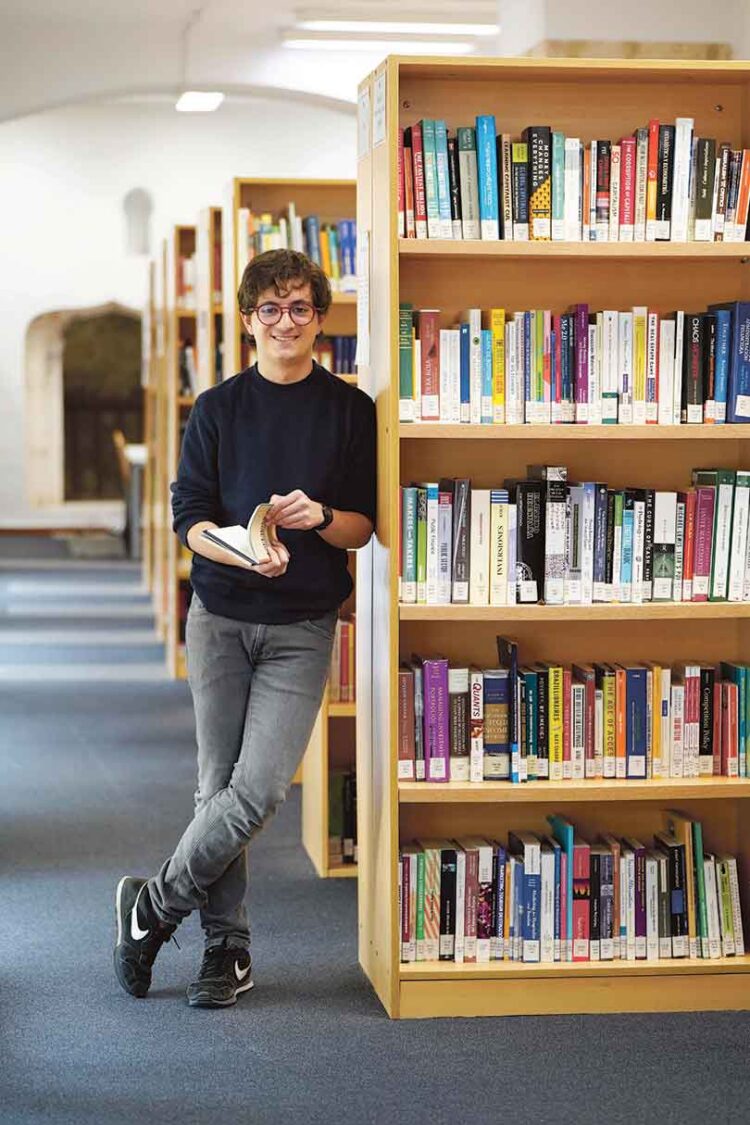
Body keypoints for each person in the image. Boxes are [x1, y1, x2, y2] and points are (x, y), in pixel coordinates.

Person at [113, 248, 376, 1008]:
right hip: (221, 616)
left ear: (321, 319)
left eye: (300, 308)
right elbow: (187, 517)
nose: (285, 322)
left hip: (302, 625)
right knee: (214, 787)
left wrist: (320, 516)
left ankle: (151, 908)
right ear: (249, 319)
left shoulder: (350, 410)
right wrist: (232, 543)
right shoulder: (220, 408)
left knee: (256, 790)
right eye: (271, 308)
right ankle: (227, 950)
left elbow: (363, 528)